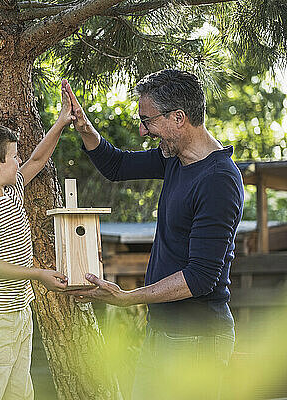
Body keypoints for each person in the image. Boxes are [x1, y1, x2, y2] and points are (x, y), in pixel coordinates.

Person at [63, 69, 244, 399]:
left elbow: (201, 278)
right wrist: (84, 127)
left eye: (149, 121)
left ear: (178, 118)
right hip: (162, 332)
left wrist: (129, 298)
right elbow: (117, 166)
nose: (144, 131)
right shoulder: (175, 159)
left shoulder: (218, 180)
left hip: (197, 339)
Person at [0, 81, 75, 400]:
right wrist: (38, 275)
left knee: (20, 393)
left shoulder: (12, 192)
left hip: (19, 311)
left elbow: (38, 159)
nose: (19, 161)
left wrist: (62, 121)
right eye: (13, 157)